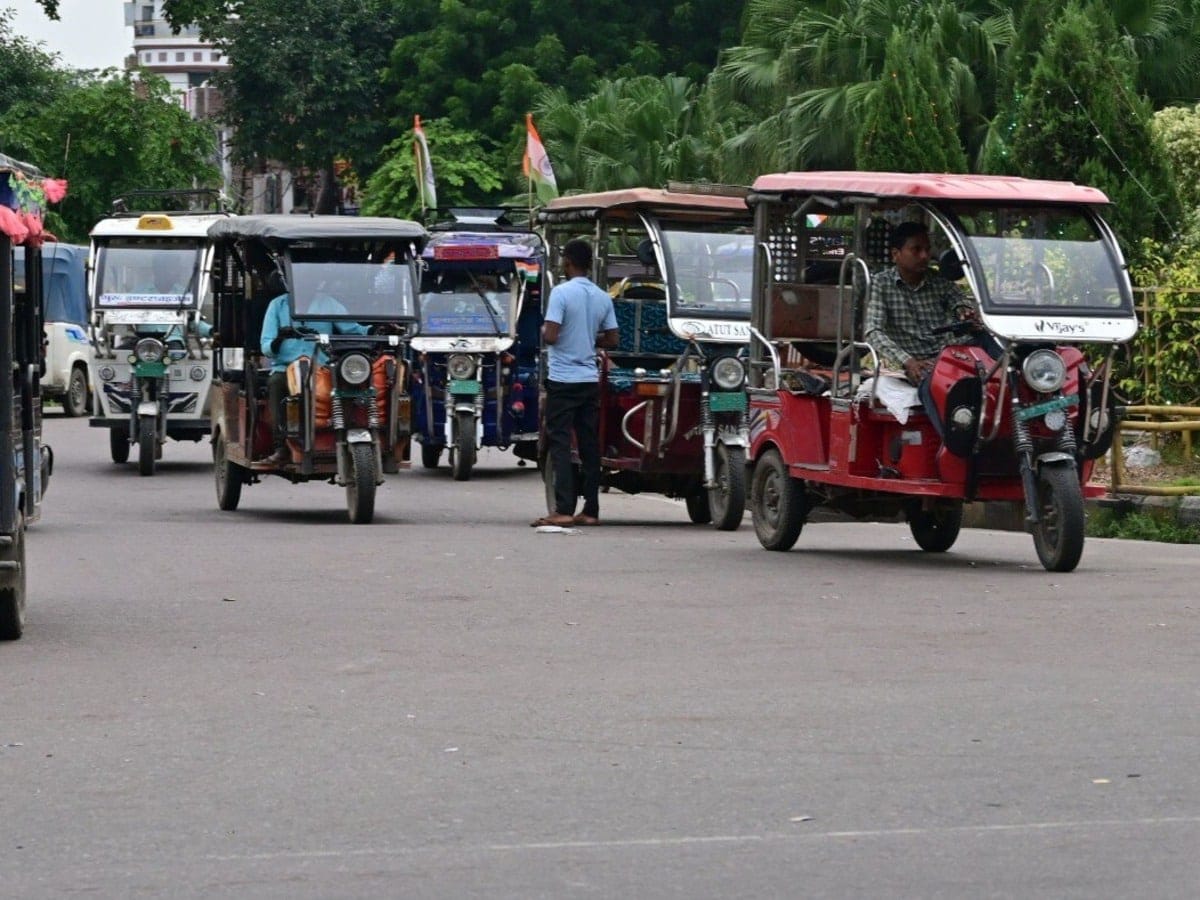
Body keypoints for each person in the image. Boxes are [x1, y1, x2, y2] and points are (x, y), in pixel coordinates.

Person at [863, 221, 987, 432]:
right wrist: (908, 361)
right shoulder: (881, 284)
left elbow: (958, 299)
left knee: (1001, 359)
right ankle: (953, 441)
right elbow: (872, 331)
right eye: (916, 249)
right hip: (922, 364)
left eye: (927, 250)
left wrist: (964, 312)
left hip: (954, 354)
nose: (924, 256)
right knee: (935, 387)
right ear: (896, 254)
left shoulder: (938, 280)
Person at [533, 238, 618, 527]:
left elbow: (552, 336)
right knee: (589, 445)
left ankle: (564, 509)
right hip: (588, 380)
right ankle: (591, 509)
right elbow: (613, 339)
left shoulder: (561, 293)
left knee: (559, 442)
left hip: (562, 378)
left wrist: (546, 329)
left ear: (567, 262)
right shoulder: (602, 296)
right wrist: (588, 339)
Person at [258, 271, 368, 464]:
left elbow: (354, 330)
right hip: (286, 369)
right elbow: (266, 347)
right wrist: (281, 338)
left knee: (350, 386)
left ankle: (343, 436)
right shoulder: (278, 305)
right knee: (275, 384)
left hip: (321, 368)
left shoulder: (328, 304)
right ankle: (281, 447)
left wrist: (377, 330)